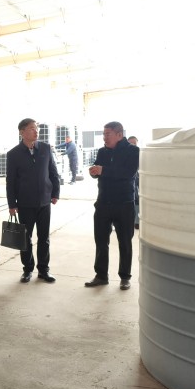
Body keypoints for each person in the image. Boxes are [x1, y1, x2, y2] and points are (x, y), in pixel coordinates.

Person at [85, 122, 139, 291]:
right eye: (104, 134)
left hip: (124, 204)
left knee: (125, 242)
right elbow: (100, 169)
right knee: (101, 241)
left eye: (107, 134)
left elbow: (128, 173)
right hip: (103, 203)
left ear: (119, 135)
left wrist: (103, 170)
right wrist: (94, 172)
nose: (104, 137)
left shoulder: (133, 151)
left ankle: (125, 277)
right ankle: (101, 276)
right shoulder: (102, 151)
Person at [6, 118, 60, 284]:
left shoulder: (45, 148)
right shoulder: (13, 154)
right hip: (25, 203)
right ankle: (27, 269)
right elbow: (10, 181)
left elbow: (53, 172)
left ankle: (44, 270)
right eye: (32, 128)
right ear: (22, 132)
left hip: (44, 201)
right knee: (25, 238)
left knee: (44, 238)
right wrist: (12, 204)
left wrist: (55, 192)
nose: (36, 131)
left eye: (37, 128)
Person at [127, 135, 140, 230]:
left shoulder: (140, 153)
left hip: (138, 178)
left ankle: (137, 222)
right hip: (127, 180)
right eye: (130, 143)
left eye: (134, 143)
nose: (132, 145)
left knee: (137, 199)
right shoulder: (123, 154)